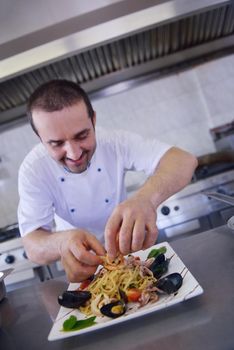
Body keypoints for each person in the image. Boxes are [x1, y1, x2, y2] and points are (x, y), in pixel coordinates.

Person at [18, 79, 198, 282]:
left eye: (82, 135)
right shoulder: (34, 169)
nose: (74, 153)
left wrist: (145, 199)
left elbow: (184, 161)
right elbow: (32, 245)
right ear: (39, 137)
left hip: (131, 254)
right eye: (56, 143)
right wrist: (61, 243)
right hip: (79, 269)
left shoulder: (114, 142)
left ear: (93, 120)